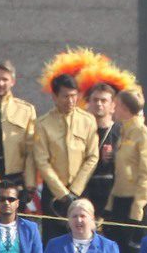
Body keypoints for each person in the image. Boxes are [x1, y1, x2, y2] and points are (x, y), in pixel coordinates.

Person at [33, 73, 99, 244]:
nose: (70, 101)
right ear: (54, 97)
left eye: (73, 96)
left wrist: (75, 191)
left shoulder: (88, 120)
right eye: (65, 96)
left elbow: (93, 156)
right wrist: (62, 193)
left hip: (81, 191)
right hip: (54, 196)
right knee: (53, 241)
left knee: (83, 239)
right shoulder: (43, 124)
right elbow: (42, 160)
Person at [104, 90, 147, 253]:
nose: (113, 109)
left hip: (136, 205)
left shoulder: (144, 135)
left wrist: (137, 209)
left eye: (116, 105)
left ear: (125, 108)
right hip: (120, 201)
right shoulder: (124, 133)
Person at [0, 60, 36, 194]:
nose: (0, 83)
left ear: (12, 81)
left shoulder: (25, 110)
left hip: (14, 177)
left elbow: (31, 151)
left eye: (5, 79)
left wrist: (30, 183)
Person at [82, 82, 120, 216]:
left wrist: (114, 156)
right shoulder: (81, 131)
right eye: (95, 100)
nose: (99, 104)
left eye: (104, 100)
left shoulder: (121, 132)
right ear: (89, 103)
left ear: (113, 106)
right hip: (85, 192)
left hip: (111, 195)